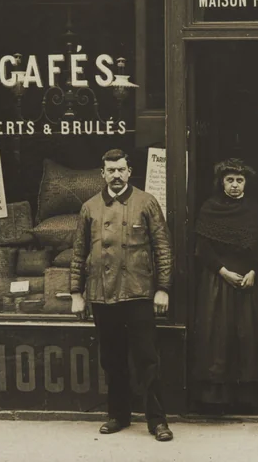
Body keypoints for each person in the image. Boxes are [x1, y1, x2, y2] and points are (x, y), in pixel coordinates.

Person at [70, 148, 174, 442]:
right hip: (103, 296)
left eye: (121, 170)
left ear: (130, 172)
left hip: (139, 294)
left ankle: (157, 421)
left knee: (147, 359)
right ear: (102, 174)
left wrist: (163, 289)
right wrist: (76, 293)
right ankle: (118, 415)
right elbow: (79, 253)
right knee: (112, 360)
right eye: (110, 170)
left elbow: (163, 249)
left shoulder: (147, 202)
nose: (116, 175)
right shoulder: (89, 207)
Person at [192, 158, 258, 412]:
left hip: (247, 281)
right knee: (218, 335)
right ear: (221, 182)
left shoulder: (252, 209)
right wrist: (223, 271)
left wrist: (254, 271)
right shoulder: (209, 208)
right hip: (219, 280)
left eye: (239, 180)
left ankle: (247, 398)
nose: (235, 185)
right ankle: (217, 399)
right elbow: (203, 248)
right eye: (230, 180)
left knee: (248, 334)